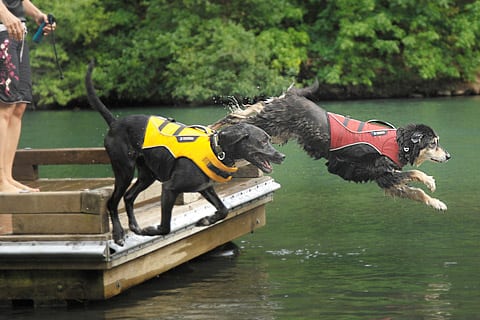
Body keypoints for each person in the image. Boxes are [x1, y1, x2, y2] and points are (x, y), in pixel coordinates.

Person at [0, 0, 55, 193]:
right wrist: (4, 14)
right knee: (4, 106)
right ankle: (0, 181)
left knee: (18, 105)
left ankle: (7, 177)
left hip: (18, 33)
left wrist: (38, 15)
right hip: (1, 29)